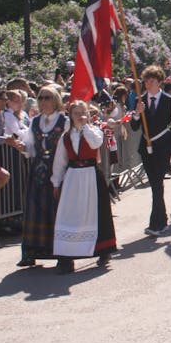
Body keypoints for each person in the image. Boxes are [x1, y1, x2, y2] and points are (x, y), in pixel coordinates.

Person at [51, 100, 117, 273]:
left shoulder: (93, 131)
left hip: (91, 175)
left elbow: (96, 143)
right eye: (76, 113)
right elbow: (60, 161)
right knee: (69, 215)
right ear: (70, 116)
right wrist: (56, 182)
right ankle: (66, 258)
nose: (80, 116)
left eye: (83, 112)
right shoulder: (66, 136)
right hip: (73, 176)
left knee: (97, 213)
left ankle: (103, 250)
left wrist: (85, 126)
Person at [16, 85, 67, 267]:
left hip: (58, 169)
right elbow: (31, 146)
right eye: (41, 98)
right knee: (34, 210)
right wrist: (23, 148)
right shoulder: (35, 121)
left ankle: (60, 251)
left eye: (48, 98)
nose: (44, 101)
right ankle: (31, 252)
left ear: (56, 100)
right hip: (38, 170)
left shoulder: (64, 121)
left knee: (56, 210)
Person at [131, 65, 171, 236]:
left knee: (158, 183)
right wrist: (137, 113)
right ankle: (162, 219)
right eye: (146, 81)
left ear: (159, 82)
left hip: (162, 146)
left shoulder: (169, 101)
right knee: (154, 184)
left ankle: (156, 224)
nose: (148, 84)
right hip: (146, 146)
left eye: (152, 81)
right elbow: (134, 126)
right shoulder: (140, 100)